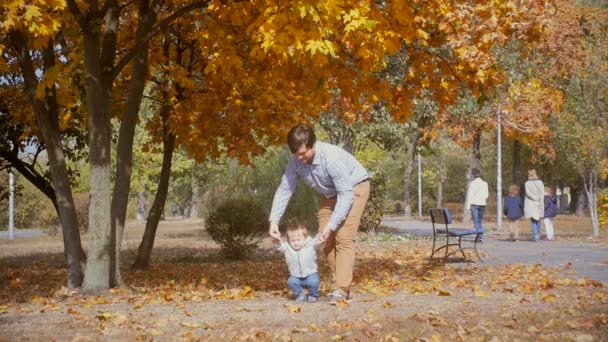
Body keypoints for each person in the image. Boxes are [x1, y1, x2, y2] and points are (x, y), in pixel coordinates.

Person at [268, 124, 370, 304]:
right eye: (296, 154)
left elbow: (346, 194)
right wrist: (274, 221)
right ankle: (342, 285)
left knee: (343, 237)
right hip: (330, 193)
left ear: (312, 144)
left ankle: (341, 289)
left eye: (303, 153)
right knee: (324, 240)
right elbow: (285, 189)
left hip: (354, 187)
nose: (300, 158)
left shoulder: (331, 158)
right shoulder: (296, 160)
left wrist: (332, 226)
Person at [274, 222, 322, 303]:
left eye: (299, 240)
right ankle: (300, 295)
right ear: (289, 241)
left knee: (313, 282)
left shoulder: (310, 245)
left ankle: (313, 295)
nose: (296, 243)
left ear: (305, 238)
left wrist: (320, 237)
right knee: (291, 281)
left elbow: (317, 241)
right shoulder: (287, 248)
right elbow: (280, 246)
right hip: (296, 276)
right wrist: (276, 241)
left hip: (310, 273)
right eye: (292, 241)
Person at [465, 168, 489, 242]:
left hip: (474, 204)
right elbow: (486, 195)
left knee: (476, 221)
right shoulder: (485, 183)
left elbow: (470, 195)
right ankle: (480, 236)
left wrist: (468, 206)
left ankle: (479, 236)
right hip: (482, 204)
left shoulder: (472, 183)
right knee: (479, 220)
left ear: (473, 175)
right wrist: (483, 199)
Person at [524, 169, 544, 241]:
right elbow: (542, 193)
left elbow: (528, 194)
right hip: (539, 203)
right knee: (538, 219)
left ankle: (536, 236)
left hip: (531, 204)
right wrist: (540, 200)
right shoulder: (540, 182)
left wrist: (535, 198)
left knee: (533, 220)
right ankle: (538, 234)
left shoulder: (527, 183)